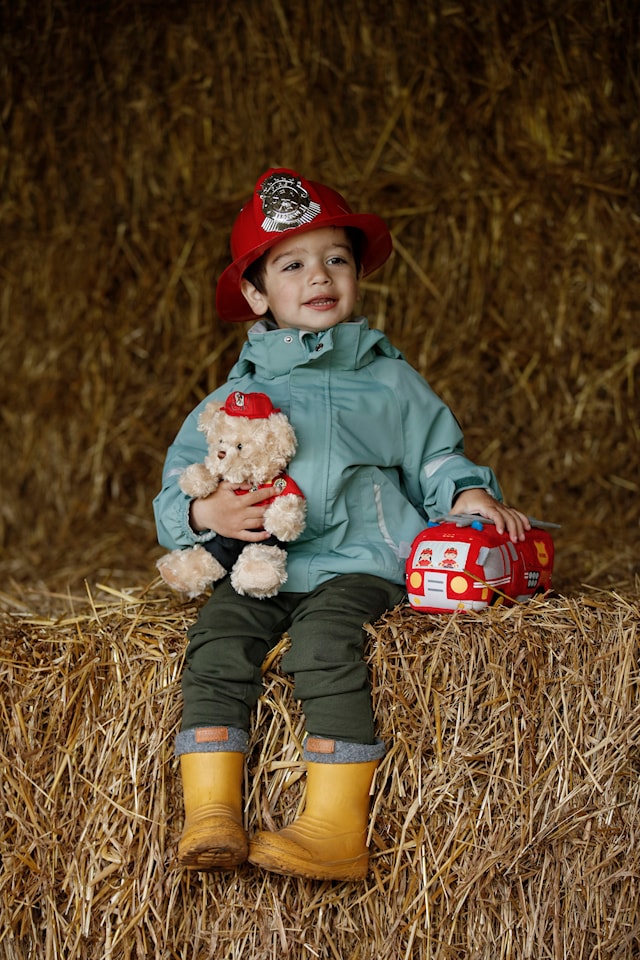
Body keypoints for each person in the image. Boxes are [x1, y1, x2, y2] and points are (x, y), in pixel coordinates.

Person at [153, 167, 530, 881]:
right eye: (292, 264)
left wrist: (468, 497)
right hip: (264, 569)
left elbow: (436, 456)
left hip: (361, 562)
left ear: (357, 277)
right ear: (257, 294)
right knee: (216, 641)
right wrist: (207, 513)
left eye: (336, 259)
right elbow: (176, 494)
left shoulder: (391, 382)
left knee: (324, 645)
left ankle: (334, 828)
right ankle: (211, 814)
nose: (319, 276)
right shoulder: (235, 398)